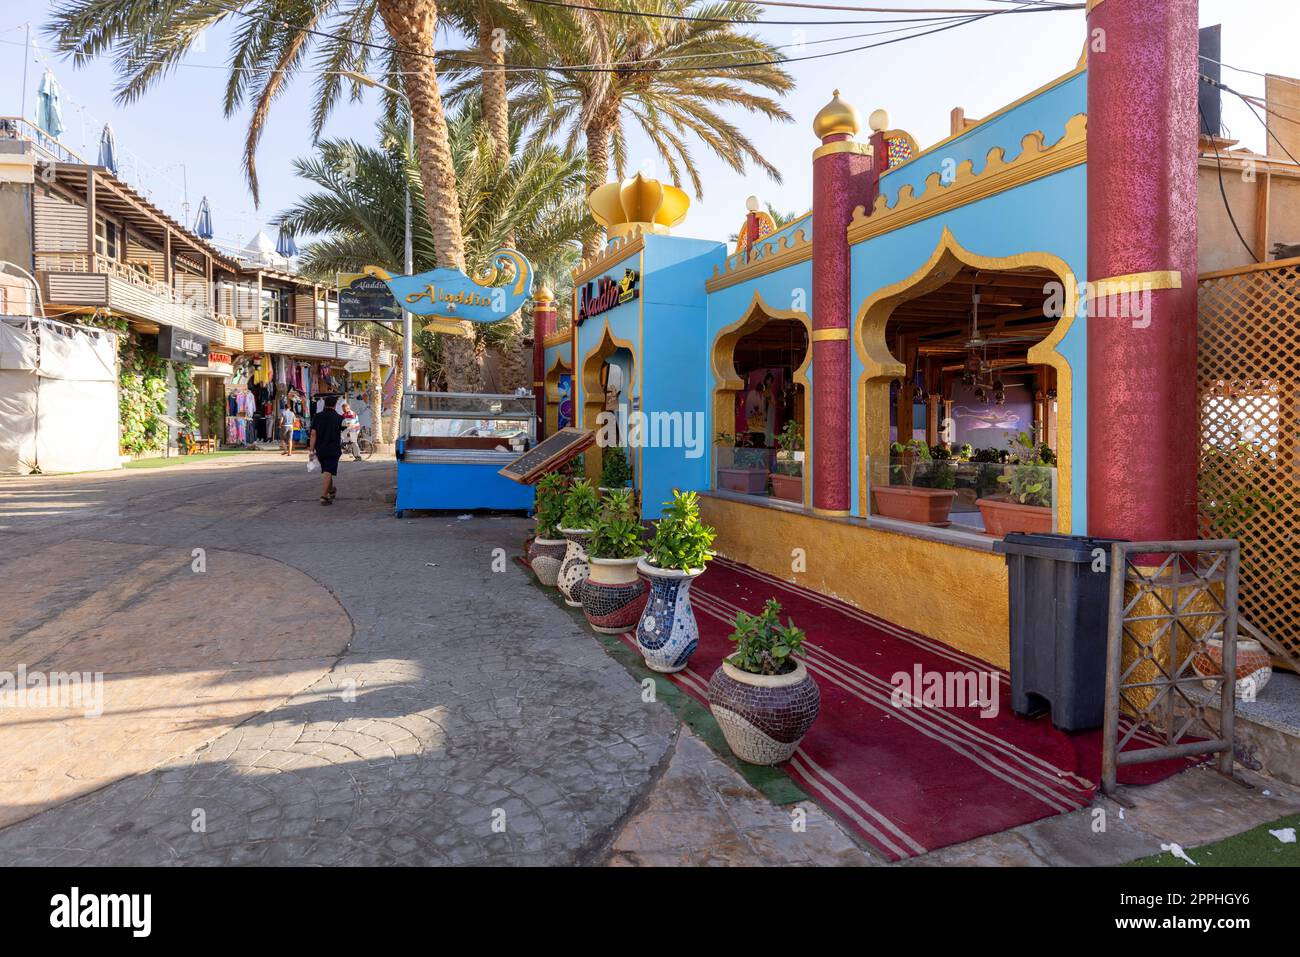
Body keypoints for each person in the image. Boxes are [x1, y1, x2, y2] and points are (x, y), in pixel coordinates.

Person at [308, 395, 344, 505]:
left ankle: (331, 489)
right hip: (333, 449)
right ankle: (323, 496)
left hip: (320, 449)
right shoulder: (339, 418)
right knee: (328, 471)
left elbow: (313, 435)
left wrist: (311, 450)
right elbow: (345, 432)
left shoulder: (317, 417)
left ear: (325, 404)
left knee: (327, 471)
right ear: (335, 405)